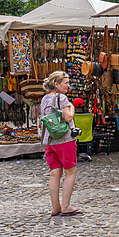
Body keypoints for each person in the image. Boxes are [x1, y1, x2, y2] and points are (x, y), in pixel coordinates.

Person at [41, 71, 81, 217]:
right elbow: (68, 117)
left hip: (49, 141)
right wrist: (72, 107)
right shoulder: (62, 98)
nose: (68, 86)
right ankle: (66, 206)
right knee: (70, 172)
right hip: (64, 140)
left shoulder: (44, 98)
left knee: (54, 174)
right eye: (66, 83)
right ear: (56, 84)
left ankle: (55, 207)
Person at [72, 97, 93, 162]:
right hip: (87, 137)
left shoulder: (72, 116)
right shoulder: (90, 116)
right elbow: (94, 125)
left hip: (75, 137)